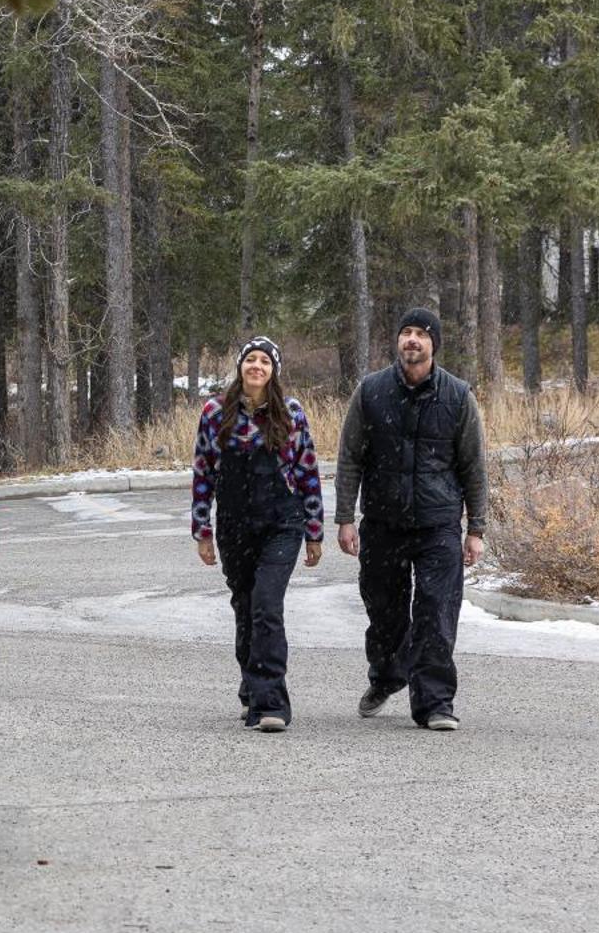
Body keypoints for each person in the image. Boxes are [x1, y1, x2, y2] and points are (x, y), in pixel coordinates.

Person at [335, 308, 488, 732]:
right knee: (385, 614)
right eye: (406, 333)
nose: (413, 340)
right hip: (382, 522)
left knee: (437, 614)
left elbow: (474, 466)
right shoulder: (371, 391)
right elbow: (350, 458)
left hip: (438, 523)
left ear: (434, 343)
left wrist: (476, 529)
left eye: (421, 334)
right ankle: (386, 675)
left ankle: (435, 703)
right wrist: (345, 517)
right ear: (398, 342)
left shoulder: (458, 396)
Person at [190, 336, 325, 733]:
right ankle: (252, 684)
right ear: (240, 367)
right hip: (235, 524)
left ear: (274, 371)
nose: (257, 367)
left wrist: (314, 532)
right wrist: (203, 531)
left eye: (265, 361)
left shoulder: (292, 414)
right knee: (246, 608)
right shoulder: (215, 413)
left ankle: (271, 703)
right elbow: (203, 473)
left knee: (267, 604)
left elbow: (308, 474)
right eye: (251, 359)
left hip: (282, 522)